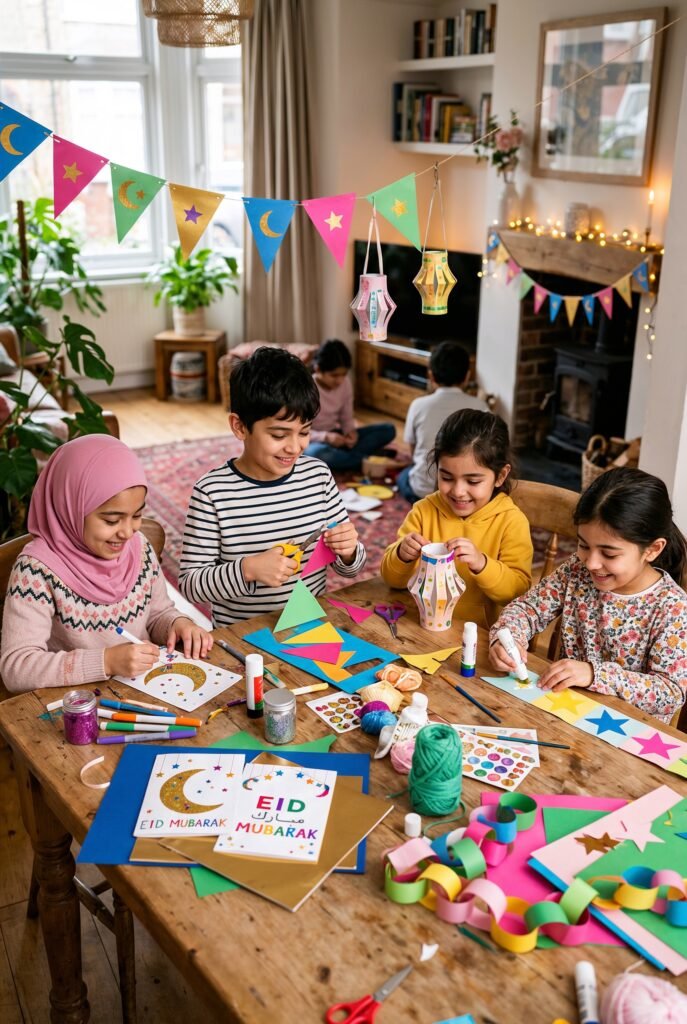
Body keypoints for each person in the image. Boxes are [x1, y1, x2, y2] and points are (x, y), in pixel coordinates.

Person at [0, 434, 212, 693]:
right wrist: (107, 661)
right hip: (74, 709)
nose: (127, 532)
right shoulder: (36, 571)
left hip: (144, 691)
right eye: (111, 521)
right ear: (71, 509)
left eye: (137, 515)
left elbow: (157, 615)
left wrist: (178, 625)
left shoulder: (139, 548)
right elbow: (17, 668)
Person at [179, 346, 366, 626]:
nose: (294, 447)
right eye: (279, 434)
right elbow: (191, 585)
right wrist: (248, 569)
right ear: (240, 427)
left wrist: (350, 550)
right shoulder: (212, 493)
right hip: (242, 639)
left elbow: (351, 568)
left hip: (309, 630)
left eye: (304, 432)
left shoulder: (318, 475)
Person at [489, 467, 687, 723]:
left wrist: (595, 675)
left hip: (629, 740)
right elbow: (528, 609)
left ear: (652, 549)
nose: (591, 562)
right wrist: (507, 639)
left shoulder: (673, 608)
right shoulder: (577, 570)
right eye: (583, 545)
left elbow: (670, 691)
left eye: (609, 553)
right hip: (561, 714)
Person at [381, 409, 532, 628]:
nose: (458, 491)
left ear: (500, 476)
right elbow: (391, 579)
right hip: (419, 628)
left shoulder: (511, 521)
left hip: (477, 637)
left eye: (472, 481)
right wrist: (402, 555)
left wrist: (482, 564)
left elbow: (518, 592)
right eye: (447, 477)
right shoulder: (424, 511)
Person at [397, 341, 488, 503]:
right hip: (465, 497)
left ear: (431, 375)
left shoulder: (418, 405)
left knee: (404, 475)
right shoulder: (481, 407)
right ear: (467, 376)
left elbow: (413, 450)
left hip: (423, 492)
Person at [304, 338, 395, 472]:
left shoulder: (345, 383)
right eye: (334, 375)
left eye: (344, 374)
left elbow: (346, 417)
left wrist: (350, 432)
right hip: (312, 441)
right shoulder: (305, 388)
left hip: (336, 436)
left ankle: (350, 459)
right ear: (318, 369)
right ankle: (365, 460)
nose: (340, 380)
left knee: (388, 429)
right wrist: (326, 437)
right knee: (318, 454)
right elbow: (296, 431)